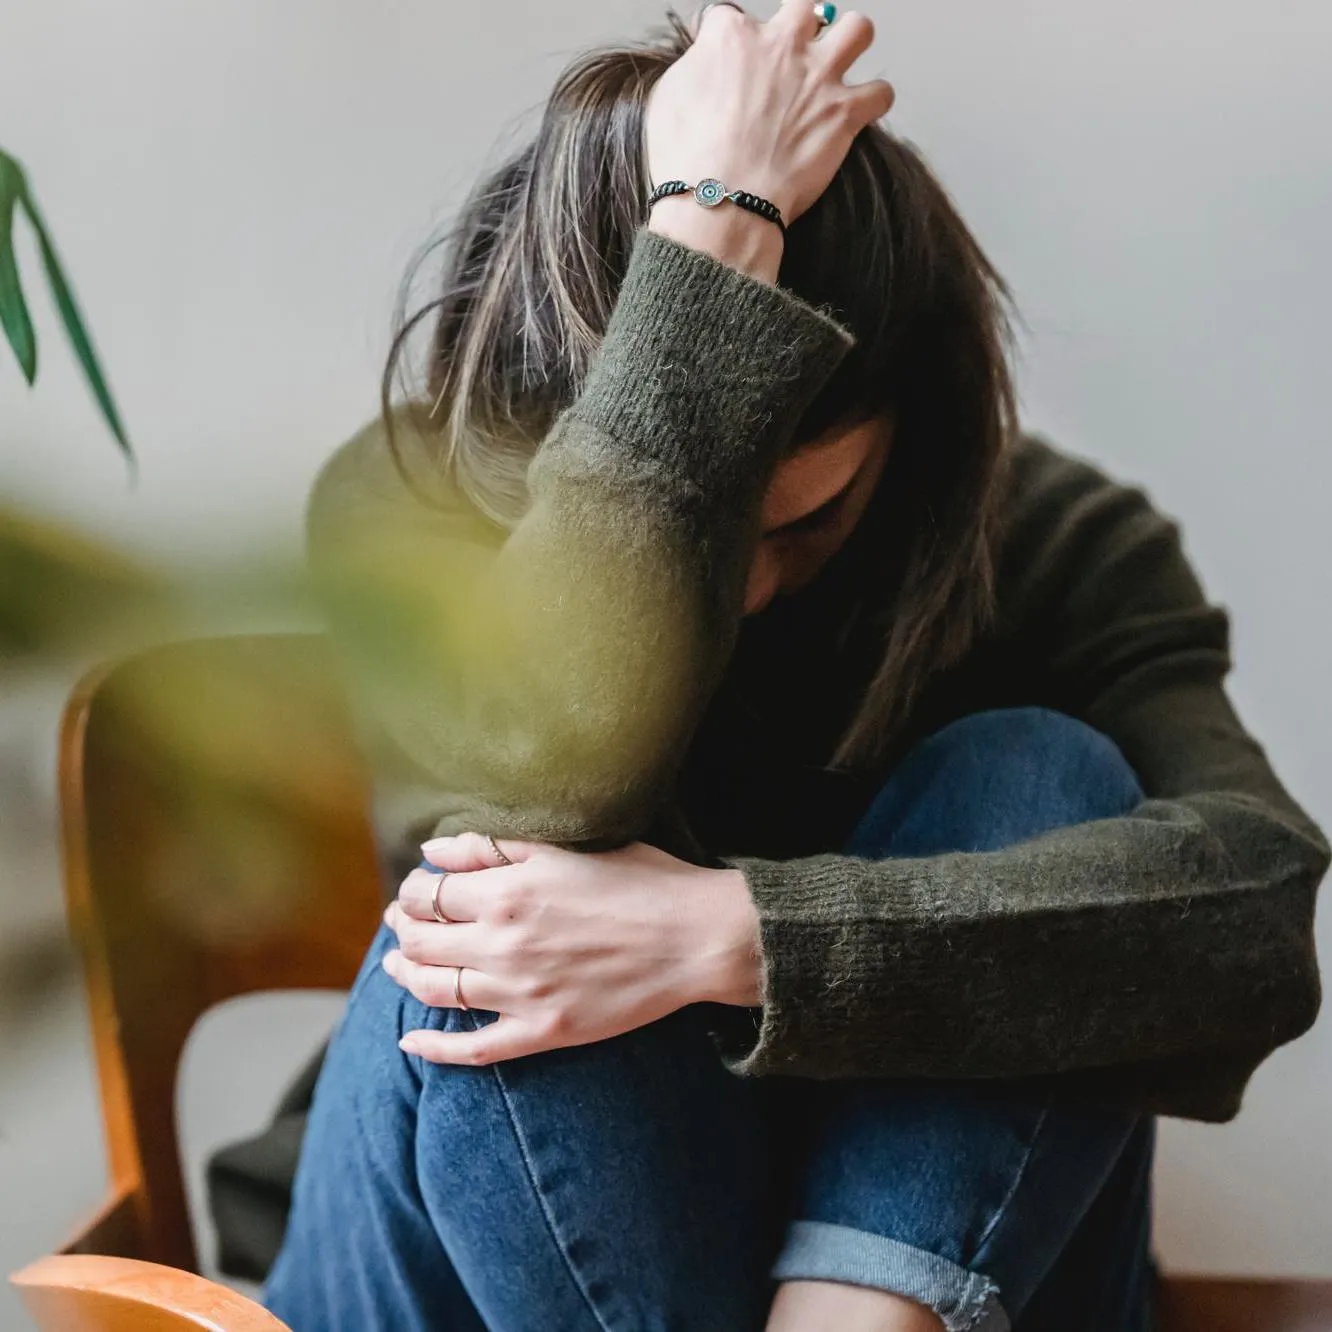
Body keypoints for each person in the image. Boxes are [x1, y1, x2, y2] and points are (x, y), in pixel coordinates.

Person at [254, 3, 1327, 1329]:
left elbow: (1253, 912)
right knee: (509, 913)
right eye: (705, 509)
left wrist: (736, 937)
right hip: (455, 1271)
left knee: (1038, 771)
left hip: (892, 1281)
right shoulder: (408, 501)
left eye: (809, 524)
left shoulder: (1043, 538)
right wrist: (718, 224)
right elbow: (543, 792)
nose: (749, 586)